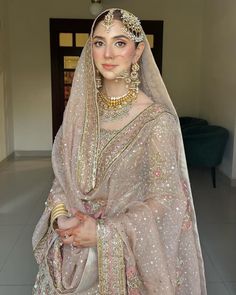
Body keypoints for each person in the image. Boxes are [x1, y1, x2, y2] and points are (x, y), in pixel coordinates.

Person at [32, 8, 207, 294]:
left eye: (120, 42)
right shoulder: (80, 115)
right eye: (99, 42)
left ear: (137, 52)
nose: (108, 54)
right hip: (73, 254)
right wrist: (60, 217)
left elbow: (166, 200)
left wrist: (102, 234)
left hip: (127, 260)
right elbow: (62, 179)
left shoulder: (156, 120)